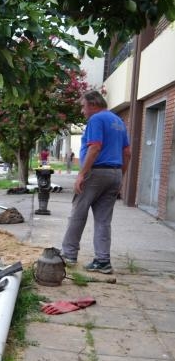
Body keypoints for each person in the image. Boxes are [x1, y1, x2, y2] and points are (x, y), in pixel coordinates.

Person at [60, 91, 131, 274]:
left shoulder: (97, 119)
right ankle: (103, 261)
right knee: (103, 220)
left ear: (92, 104)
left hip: (96, 173)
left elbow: (95, 147)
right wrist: (119, 176)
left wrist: (82, 174)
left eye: (83, 106)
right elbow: (127, 153)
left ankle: (68, 255)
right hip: (114, 173)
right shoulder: (119, 122)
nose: (83, 111)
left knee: (78, 213)